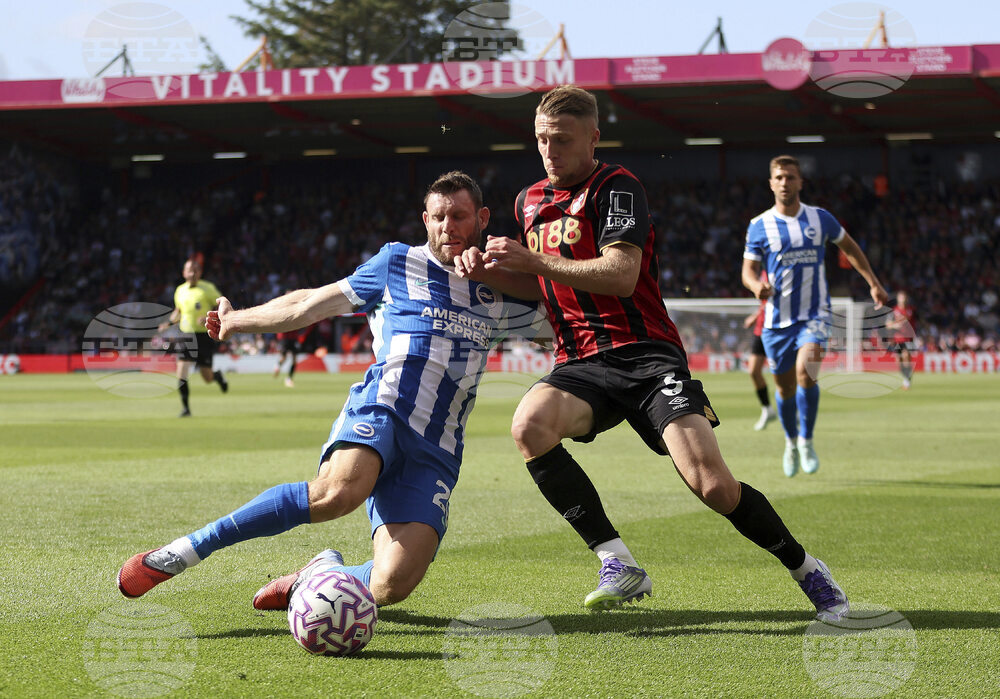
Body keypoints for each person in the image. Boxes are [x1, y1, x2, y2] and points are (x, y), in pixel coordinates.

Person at [455, 85, 849, 622]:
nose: (550, 150)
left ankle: (807, 569)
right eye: (542, 140)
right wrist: (496, 273)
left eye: (563, 140)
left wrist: (532, 262)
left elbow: (621, 274)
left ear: (593, 138)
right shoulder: (528, 201)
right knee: (529, 428)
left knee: (712, 484)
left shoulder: (616, 187)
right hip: (580, 361)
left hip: (646, 355)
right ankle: (616, 561)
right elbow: (539, 287)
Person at [118, 171, 545, 608]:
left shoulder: (506, 288)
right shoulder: (398, 263)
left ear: (483, 218)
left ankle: (317, 574)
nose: (447, 227)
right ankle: (182, 551)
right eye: (438, 217)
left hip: (438, 442)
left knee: (390, 585)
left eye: (459, 216)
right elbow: (309, 301)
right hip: (385, 409)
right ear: (425, 220)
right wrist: (237, 320)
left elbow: (563, 325)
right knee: (337, 493)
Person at [741, 155, 888, 477]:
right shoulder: (759, 225)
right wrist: (756, 287)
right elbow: (748, 271)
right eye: (779, 177)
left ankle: (807, 441)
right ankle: (791, 442)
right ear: (771, 183)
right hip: (777, 321)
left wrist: (873, 283)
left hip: (815, 314)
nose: (784, 183)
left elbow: (849, 247)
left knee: (806, 373)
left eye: (790, 177)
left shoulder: (820, 219)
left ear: (800, 182)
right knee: (784, 388)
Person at [159, 255, 228, 417]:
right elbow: (178, 311)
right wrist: (168, 323)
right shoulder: (180, 290)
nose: (192, 273)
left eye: (195, 270)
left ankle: (217, 377)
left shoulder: (208, 288)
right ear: (184, 273)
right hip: (186, 335)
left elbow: (222, 307)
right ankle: (186, 409)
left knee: (207, 377)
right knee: (181, 372)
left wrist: (209, 317)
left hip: (205, 335)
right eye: (189, 270)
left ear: (200, 272)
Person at [744, 272, 777, 430]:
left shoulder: (779, 267)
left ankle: (795, 411)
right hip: (761, 329)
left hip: (778, 328)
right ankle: (767, 409)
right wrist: (755, 316)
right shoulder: (763, 272)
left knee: (784, 374)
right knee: (753, 371)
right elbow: (766, 302)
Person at [886, 290, 917, 389]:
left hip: (908, 338)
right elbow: (887, 325)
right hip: (897, 339)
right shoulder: (893, 311)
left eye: (904, 297)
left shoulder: (910, 310)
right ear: (898, 299)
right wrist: (895, 325)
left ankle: (907, 380)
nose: (902, 299)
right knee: (898, 359)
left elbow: (907, 320)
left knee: (906, 356)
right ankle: (906, 376)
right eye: (901, 297)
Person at [273, 323, 315, 388]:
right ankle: (278, 365)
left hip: (294, 338)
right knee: (284, 358)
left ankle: (289, 379)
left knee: (294, 360)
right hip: (284, 338)